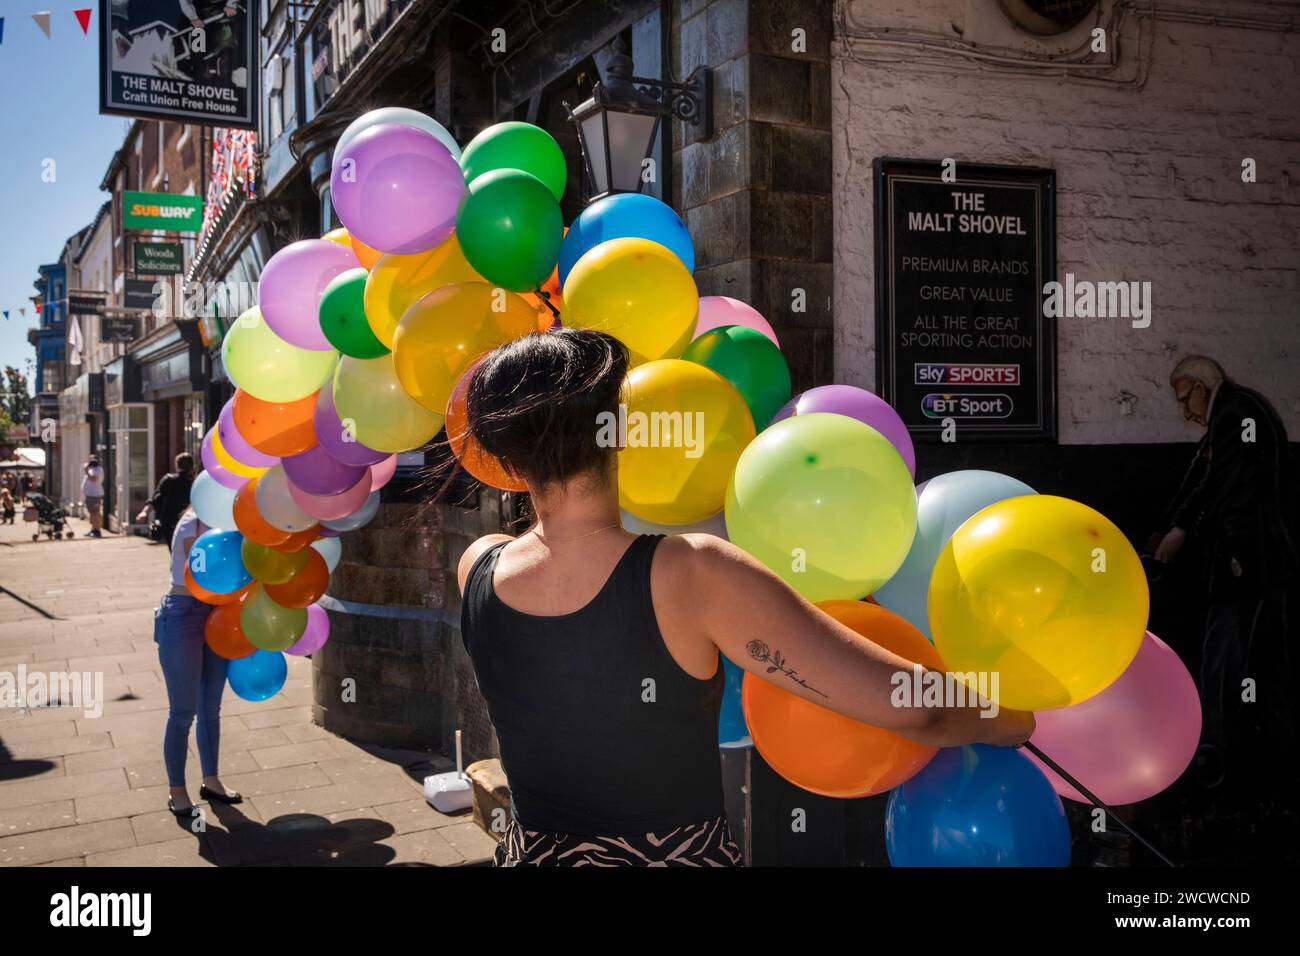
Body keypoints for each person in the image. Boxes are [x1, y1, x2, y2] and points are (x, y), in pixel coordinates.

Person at [456, 330, 1035, 867]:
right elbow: (918, 706)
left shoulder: (476, 564)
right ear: (621, 430)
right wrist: (1008, 718)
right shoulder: (691, 572)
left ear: (508, 459)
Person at [1153, 356, 1297, 789]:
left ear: (1201, 386)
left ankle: (1218, 751)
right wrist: (1178, 526)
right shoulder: (1240, 411)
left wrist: (1226, 552)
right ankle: (1250, 752)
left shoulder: (1234, 415)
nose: (1186, 412)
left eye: (1186, 399)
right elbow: (1214, 481)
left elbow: (1227, 488)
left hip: (1248, 560)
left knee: (1226, 656)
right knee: (1256, 658)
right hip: (1260, 559)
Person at [154, 507, 241, 817]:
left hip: (218, 614)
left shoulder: (225, 522)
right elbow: (205, 572)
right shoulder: (192, 522)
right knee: (182, 712)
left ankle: (211, 780)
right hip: (182, 616)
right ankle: (177, 790)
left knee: (210, 709)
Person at [137, 452, 196, 547]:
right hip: (192, 522)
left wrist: (144, 513)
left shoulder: (169, 480)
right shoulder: (194, 481)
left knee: (175, 551)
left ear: (177, 466)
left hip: (170, 523)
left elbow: (156, 499)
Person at [82, 456, 106, 538]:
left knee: (96, 512)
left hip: (95, 495)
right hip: (89, 494)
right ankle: (93, 529)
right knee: (92, 513)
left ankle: (97, 530)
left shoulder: (99, 470)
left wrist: (86, 471)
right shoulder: (92, 469)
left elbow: (94, 479)